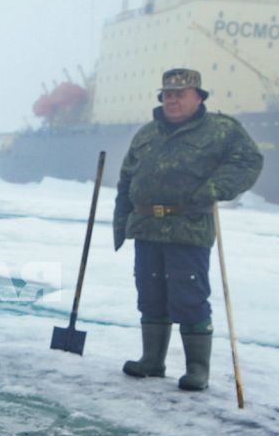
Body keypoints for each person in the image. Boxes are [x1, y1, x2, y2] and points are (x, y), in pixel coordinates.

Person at [112, 67, 263, 391]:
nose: (172, 100)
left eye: (180, 94)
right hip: (147, 226)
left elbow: (248, 161)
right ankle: (151, 360)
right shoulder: (147, 133)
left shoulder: (222, 130)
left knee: (189, 296)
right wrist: (121, 220)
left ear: (198, 96)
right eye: (167, 94)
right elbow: (127, 178)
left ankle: (197, 370)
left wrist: (215, 189)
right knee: (150, 295)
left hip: (188, 227)